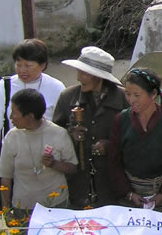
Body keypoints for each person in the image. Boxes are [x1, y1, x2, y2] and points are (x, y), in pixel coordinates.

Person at [53, 47, 128, 209]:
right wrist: (70, 135)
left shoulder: (124, 98)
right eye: (79, 72)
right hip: (78, 181)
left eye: (84, 73)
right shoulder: (67, 98)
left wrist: (111, 145)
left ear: (99, 77)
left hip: (112, 180)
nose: (78, 78)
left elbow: (133, 137)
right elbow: (54, 135)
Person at [109, 68, 162, 213]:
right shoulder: (121, 120)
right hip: (130, 191)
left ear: (153, 94)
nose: (131, 100)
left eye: (137, 95)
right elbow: (114, 160)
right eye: (127, 94)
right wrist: (129, 193)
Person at [0, 89, 77, 215]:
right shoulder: (12, 137)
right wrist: (6, 211)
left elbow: (73, 168)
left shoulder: (59, 134)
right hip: (23, 208)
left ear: (30, 116)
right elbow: (5, 177)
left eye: (14, 113)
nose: (10, 117)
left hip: (56, 205)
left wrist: (54, 164)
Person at [0, 39, 65, 146]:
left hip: (46, 149)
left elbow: (62, 121)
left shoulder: (56, 87)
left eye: (28, 65)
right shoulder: (5, 85)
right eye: (18, 65)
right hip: (12, 149)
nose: (22, 70)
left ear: (42, 65)